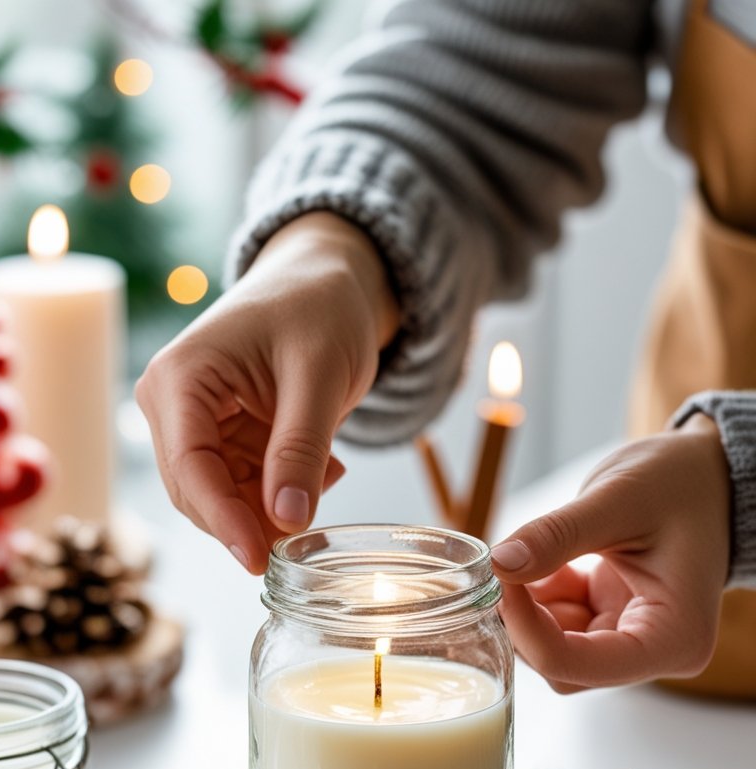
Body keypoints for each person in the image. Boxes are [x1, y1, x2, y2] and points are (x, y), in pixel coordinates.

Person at [137, 0, 756, 694]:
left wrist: (739, 479)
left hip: (693, 508)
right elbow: (492, 61)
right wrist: (333, 250)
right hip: (664, 612)